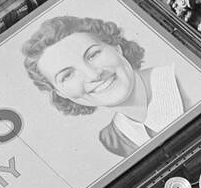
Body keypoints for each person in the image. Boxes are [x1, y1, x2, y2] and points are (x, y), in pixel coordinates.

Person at [23, 15, 185, 157]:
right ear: (60, 93)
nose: (94, 75)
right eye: (67, 75)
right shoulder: (113, 139)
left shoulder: (184, 77)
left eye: (93, 55)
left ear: (116, 47)